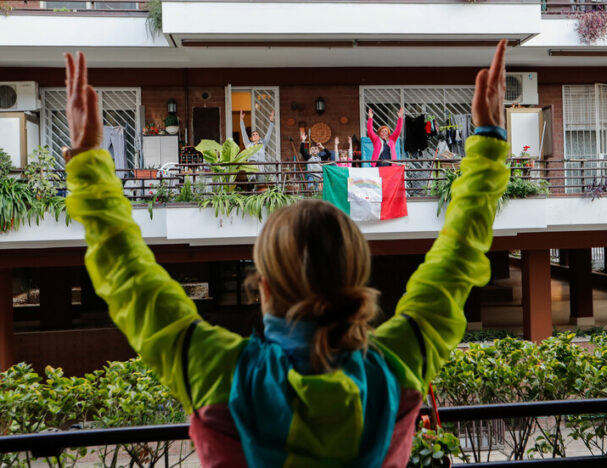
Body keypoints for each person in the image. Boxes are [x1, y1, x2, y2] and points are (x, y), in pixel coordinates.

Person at [62, 39, 509, 467]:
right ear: (355, 280)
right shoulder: (396, 366)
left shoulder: (223, 374)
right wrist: (488, 140)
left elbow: (130, 278)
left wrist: (88, 164)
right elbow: (458, 256)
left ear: (265, 287)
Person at [240, 109, 275, 181]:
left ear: (259, 137)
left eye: (257, 134)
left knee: (261, 183)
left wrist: (271, 122)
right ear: (251, 138)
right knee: (252, 182)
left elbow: (268, 134)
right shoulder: (248, 145)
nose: (255, 135)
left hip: (261, 166)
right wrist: (241, 120)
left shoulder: (263, 144)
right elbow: (243, 132)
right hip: (252, 166)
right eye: (253, 135)